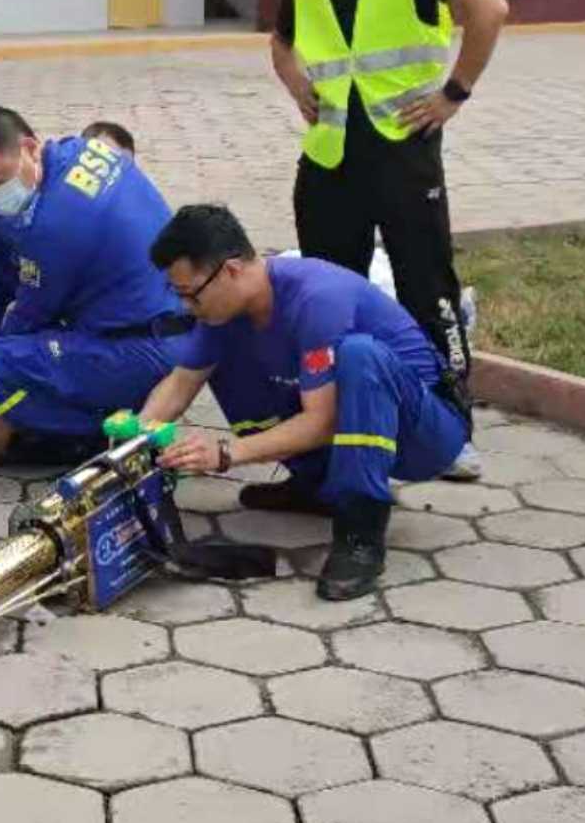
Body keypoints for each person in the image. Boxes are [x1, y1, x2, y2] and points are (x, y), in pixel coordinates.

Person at [255, 0, 509, 384]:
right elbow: (281, 44)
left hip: (402, 148)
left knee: (426, 287)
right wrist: (298, 86)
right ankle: (343, 401)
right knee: (327, 292)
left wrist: (454, 92)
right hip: (330, 157)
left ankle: (447, 405)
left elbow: (489, 8)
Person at [133, 203, 468, 602]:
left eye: (191, 294)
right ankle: (318, 486)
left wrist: (225, 453)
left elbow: (321, 422)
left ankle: (360, 532)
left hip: (425, 433)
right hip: (354, 420)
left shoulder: (317, 297)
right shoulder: (224, 313)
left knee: (360, 356)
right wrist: (132, 443)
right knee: (223, 354)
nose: (188, 306)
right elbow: (179, 385)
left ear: (231, 270)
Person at [0, 108, 181, 466]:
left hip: (136, 353)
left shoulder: (57, 223)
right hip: (165, 328)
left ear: (29, 148)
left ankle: (97, 431)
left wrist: (1, 409)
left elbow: (29, 319)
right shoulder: (77, 151)